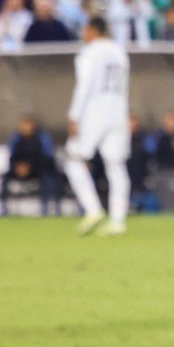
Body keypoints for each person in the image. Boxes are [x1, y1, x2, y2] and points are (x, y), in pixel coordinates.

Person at [63, 17, 130, 236]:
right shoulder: (120, 52)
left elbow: (84, 86)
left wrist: (74, 116)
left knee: (73, 159)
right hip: (118, 113)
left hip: (94, 113)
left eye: (85, 29)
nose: (83, 33)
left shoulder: (88, 53)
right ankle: (118, 221)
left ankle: (92, 209)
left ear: (92, 30)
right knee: (116, 166)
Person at [1, 116, 61, 216]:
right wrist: (17, 167)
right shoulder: (17, 140)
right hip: (19, 170)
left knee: (47, 178)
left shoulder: (40, 139)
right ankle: (3, 208)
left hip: (36, 170)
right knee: (5, 178)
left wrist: (30, 167)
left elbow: (45, 158)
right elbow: (12, 157)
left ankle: (45, 208)